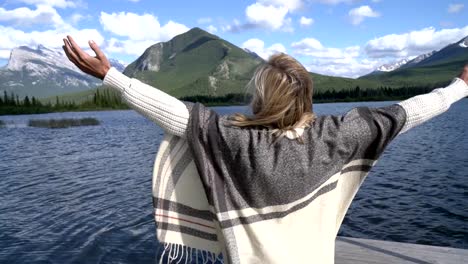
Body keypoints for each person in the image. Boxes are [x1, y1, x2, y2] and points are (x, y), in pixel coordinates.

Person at [63, 36, 468, 264]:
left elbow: (174, 114)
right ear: (306, 96)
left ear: (261, 99)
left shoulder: (234, 140)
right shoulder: (337, 135)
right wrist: (461, 86)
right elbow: (407, 112)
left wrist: (112, 76)